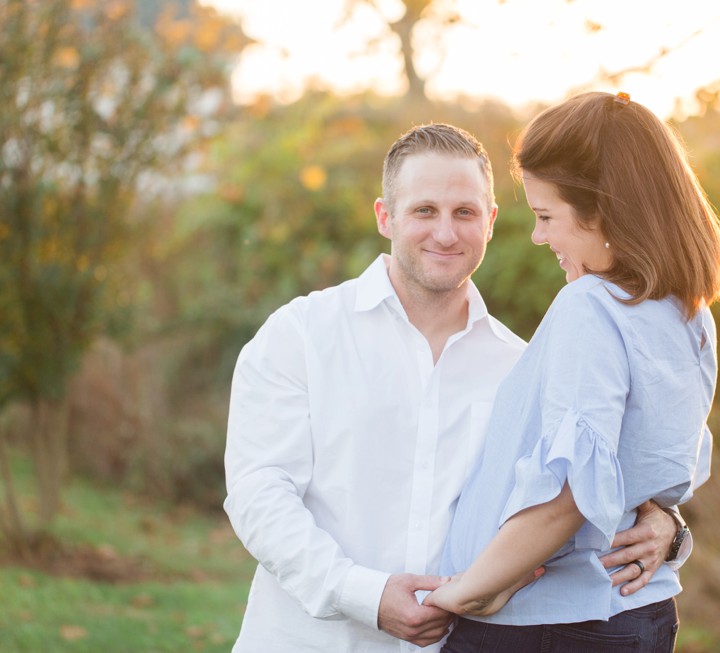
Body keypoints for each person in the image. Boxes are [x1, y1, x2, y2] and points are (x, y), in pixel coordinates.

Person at [223, 122, 681, 652]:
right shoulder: (301, 333)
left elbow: (573, 495)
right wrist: (365, 595)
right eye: (424, 211)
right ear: (385, 217)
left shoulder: (524, 366)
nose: (445, 233)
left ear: (489, 222)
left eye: (464, 212)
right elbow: (259, 495)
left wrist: (668, 526)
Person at [424, 92, 720, 652]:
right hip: (632, 615)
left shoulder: (589, 306)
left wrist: (466, 593)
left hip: (546, 625)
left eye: (547, 217)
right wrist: (669, 522)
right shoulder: (688, 314)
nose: (540, 236)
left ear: (604, 214)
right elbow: (651, 469)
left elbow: (567, 498)